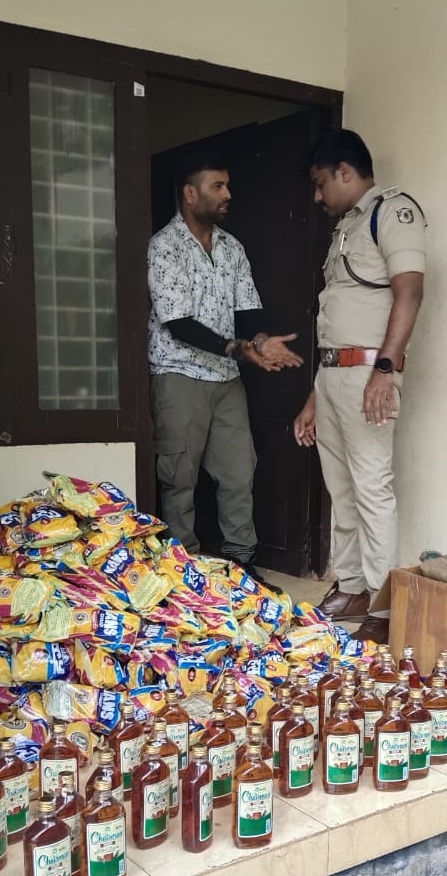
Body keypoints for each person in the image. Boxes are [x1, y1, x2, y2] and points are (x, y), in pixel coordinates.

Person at [294, 129, 426, 643]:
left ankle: (384, 605)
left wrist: (386, 371)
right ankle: (350, 586)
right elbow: (336, 324)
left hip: (371, 373)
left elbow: (409, 293)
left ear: (345, 172)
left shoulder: (392, 213)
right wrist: (313, 395)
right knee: (341, 489)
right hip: (333, 376)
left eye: (320, 183)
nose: (317, 195)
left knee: (372, 487)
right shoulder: (347, 225)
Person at [148, 150, 303, 577]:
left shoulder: (232, 247)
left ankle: (241, 562)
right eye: (218, 186)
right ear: (189, 193)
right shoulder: (164, 247)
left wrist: (260, 340)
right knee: (178, 477)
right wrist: (238, 348)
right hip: (178, 373)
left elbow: (248, 311)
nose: (227, 194)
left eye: (227, 185)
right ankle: (183, 570)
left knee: (238, 471)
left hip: (225, 376)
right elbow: (177, 322)